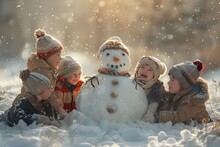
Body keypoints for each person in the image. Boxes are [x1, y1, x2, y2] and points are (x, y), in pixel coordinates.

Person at [12, 28, 65, 118]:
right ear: (47, 56)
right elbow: (49, 96)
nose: (60, 58)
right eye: (58, 55)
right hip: (27, 106)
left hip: (30, 105)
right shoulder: (44, 73)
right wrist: (58, 110)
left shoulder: (46, 70)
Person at [156, 60, 211, 124]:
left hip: (195, 130)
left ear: (183, 84)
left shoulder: (193, 100)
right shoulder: (180, 93)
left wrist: (158, 116)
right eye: (169, 79)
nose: (168, 82)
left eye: (172, 80)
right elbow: (167, 104)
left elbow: (179, 116)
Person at [134, 56, 167, 123]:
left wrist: (150, 113)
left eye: (150, 70)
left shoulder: (156, 88)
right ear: (137, 69)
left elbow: (154, 103)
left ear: (155, 76)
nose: (145, 71)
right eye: (142, 67)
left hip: (146, 115)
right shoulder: (131, 82)